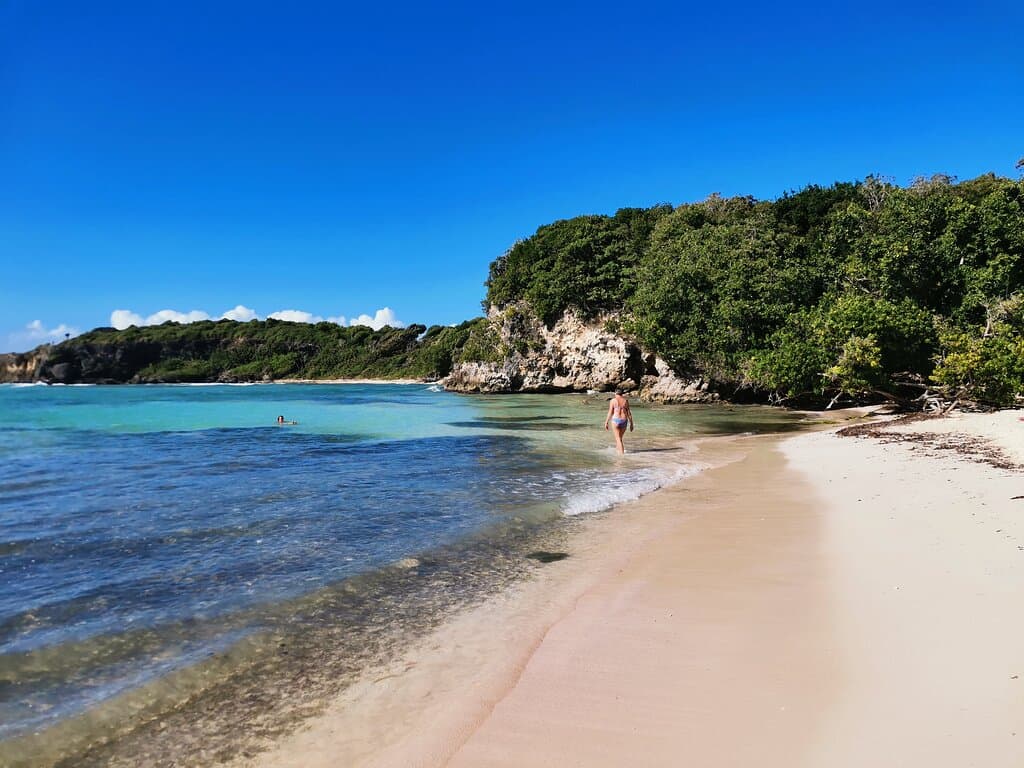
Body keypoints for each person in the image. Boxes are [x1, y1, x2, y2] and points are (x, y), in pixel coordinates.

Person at [604, 388, 634, 454]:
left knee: (618, 439)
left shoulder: (613, 401)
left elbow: (610, 412)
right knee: (619, 438)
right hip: (624, 420)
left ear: (615, 393)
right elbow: (629, 413)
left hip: (616, 420)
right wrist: (631, 424)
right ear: (622, 394)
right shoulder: (625, 401)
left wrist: (606, 422)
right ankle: (617, 451)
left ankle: (621, 455)